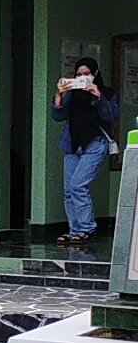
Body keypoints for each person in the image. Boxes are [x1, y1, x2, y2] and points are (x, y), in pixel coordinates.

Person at [52, 56, 120, 244]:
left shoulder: (106, 92)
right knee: (68, 190)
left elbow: (112, 115)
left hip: (95, 143)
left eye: (87, 74)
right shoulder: (72, 93)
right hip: (72, 144)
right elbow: (57, 115)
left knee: (78, 186)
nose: (83, 78)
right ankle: (75, 230)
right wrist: (59, 94)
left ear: (95, 75)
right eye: (79, 75)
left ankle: (87, 227)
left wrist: (98, 96)